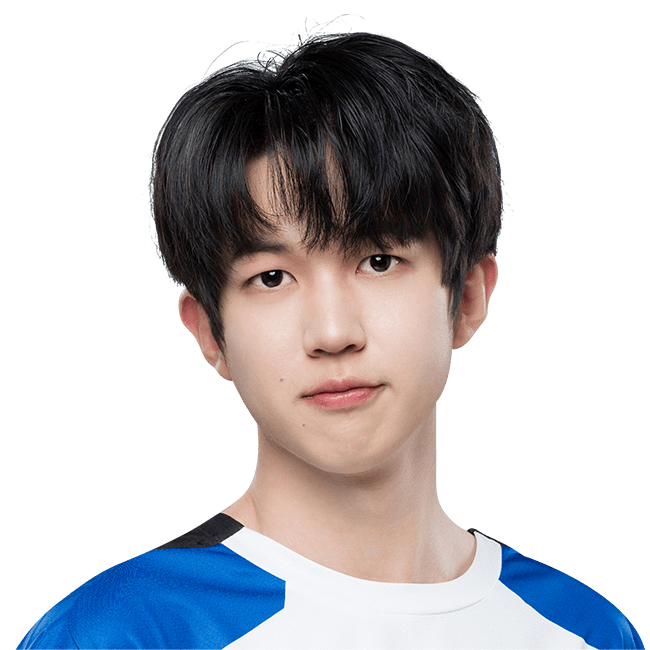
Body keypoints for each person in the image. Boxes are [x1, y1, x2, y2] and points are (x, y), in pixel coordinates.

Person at [17, 26, 643, 650]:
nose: (333, 333)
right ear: (210, 331)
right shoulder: (122, 633)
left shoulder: (584, 631)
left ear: (469, 296)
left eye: (378, 261)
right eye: (271, 277)